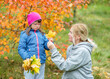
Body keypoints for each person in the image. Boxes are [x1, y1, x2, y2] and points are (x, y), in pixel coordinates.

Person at [18, 12, 49, 79]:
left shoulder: (42, 34)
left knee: (40, 77)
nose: (37, 26)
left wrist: (49, 44)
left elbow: (46, 45)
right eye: (35, 24)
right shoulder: (25, 34)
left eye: (39, 24)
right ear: (30, 23)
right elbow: (21, 48)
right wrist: (27, 57)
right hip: (30, 63)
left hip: (41, 62)